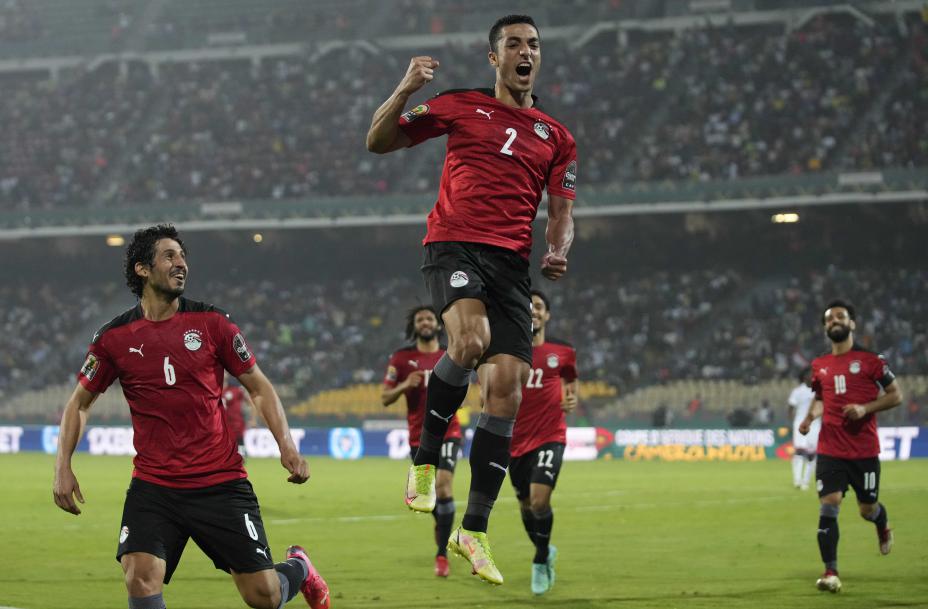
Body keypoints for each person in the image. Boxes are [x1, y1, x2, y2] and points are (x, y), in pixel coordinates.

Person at [366, 14, 577, 585]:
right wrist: (406, 88)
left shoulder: (557, 137)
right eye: (514, 44)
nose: (526, 52)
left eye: (534, 44)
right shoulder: (458, 104)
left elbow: (562, 211)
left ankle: (473, 529)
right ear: (494, 57)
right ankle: (424, 460)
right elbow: (378, 141)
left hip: (511, 265)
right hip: (454, 244)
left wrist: (557, 249)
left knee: (506, 389)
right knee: (470, 340)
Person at [52, 225, 330, 609]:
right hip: (154, 485)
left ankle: (299, 567)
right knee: (139, 576)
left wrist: (287, 446)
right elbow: (78, 404)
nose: (181, 263)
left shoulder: (213, 324)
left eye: (182, 256)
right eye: (169, 256)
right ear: (142, 269)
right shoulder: (113, 338)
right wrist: (62, 466)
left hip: (219, 482)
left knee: (263, 596)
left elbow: (259, 386)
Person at [799, 299, 902, 593]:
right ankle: (830, 572)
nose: (834, 321)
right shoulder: (819, 365)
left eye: (840, 317)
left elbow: (896, 395)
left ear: (852, 323)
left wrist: (865, 408)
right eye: (829, 319)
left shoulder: (872, 360)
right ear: (825, 327)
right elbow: (821, 398)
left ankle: (881, 523)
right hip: (830, 449)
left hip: (863, 451)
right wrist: (810, 418)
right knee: (829, 505)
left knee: (867, 509)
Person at [380, 305, 463, 578]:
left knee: (444, 486)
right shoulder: (402, 358)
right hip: (420, 437)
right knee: (427, 496)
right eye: (420, 319)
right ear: (414, 326)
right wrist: (406, 385)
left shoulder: (450, 355)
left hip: (449, 431)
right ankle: (443, 527)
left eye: (429, 318)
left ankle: (441, 554)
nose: (425, 322)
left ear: (438, 324)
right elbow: (385, 397)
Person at [508, 290, 577, 595]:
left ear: (547, 314)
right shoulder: (508, 352)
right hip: (515, 440)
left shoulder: (563, 350)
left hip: (551, 436)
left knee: (539, 500)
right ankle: (545, 550)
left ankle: (538, 560)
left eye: (538, 306)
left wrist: (572, 397)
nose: (533, 311)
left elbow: (570, 378)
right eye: (527, 306)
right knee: (525, 504)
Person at [788, 369, 819, 490]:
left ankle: (805, 481)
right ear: (804, 377)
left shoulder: (819, 390)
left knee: (812, 455)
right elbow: (790, 407)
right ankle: (797, 480)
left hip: (815, 426)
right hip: (800, 425)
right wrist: (793, 422)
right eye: (809, 375)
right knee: (800, 452)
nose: (811, 377)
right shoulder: (797, 391)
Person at [223, 375, 257, 459]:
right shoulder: (222, 391)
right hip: (225, 424)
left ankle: (241, 457)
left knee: (239, 443)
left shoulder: (237, 391)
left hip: (237, 423)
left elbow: (251, 404)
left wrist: (253, 419)